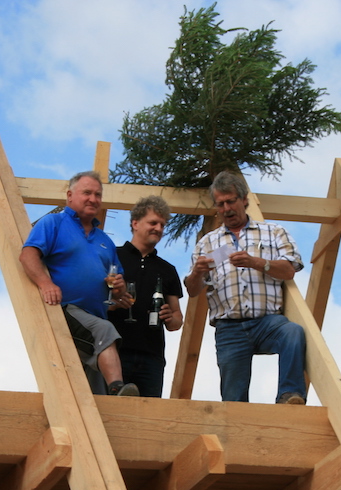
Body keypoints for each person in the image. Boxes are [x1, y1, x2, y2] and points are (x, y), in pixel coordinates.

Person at [183, 171, 307, 404]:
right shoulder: (207, 243)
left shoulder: (274, 232)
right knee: (233, 401)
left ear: (244, 200)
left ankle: (290, 395)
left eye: (231, 201)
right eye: (220, 204)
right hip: (229, 328)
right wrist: (197, 272)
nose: (226, 208)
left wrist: (256, 262)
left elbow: (289, 270)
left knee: (292, 332)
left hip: (268, 322)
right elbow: (192, 290)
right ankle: (235, 423)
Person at [20, 171, 140, 396]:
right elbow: (28, 256)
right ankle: (117, 388)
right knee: (105, 331)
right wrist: (46, 284)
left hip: (94, 317)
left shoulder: (104, 240)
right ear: (69, 196)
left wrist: (119, 287)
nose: (93, 199)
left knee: (94, 395)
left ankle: (110, 401)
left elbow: (118, 288)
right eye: (87, 193)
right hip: (65, 310)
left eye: (98, 195)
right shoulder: (53, 223)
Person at [107, 196, 183, 397]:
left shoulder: (167, 269)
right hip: (114, 351)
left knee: (149, 413)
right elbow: (93, 301)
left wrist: (170, 316)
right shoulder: (113, 257)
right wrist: (113, 304)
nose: (158, 228)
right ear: (135, 223)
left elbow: (177, 320)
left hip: (152, 358)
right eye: (153, 223)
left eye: (162, 225)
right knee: (108, 411)